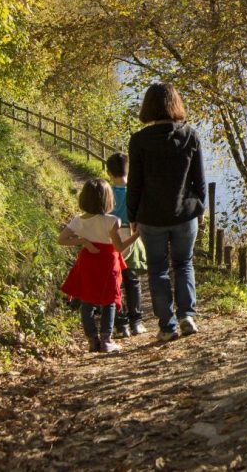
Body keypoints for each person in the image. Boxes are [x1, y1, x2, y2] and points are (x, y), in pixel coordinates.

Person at [127, 83, 207, 342]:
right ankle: (187, 316)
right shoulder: (190, 135)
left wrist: (132, 216)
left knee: (158, 269)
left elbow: (135, 183)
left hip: (151, 216)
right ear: (176, 104)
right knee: (184, 264)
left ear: (148, 107)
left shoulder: (139, 141)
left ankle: (167, 326)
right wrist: (201, 208)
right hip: (185, 213)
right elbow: (200, 180)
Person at [58, 179, 136, 353]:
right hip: (108, 262)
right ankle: (106, 340)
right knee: (109, 300)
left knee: (87, 300)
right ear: (107, 200)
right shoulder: (112, 221)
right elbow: (120, 247)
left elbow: (61, 239)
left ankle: (92, 340)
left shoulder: (78, 221)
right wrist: (137, 235)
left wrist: (83, 241)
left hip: (87, 261)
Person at [106, 153, 147, 338]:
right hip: (132, 235)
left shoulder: (107, 192)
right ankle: (136, 322)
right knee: (132, 280)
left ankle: (120, 325)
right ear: (127, 169)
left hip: (111, 239)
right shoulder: (135, 190)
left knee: (115, 282)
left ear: (109, 171)